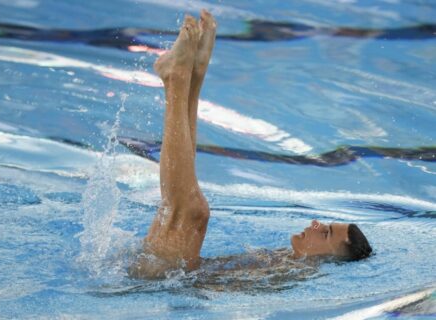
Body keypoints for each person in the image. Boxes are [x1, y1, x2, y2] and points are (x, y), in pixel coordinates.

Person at [130, 10, 372, 279]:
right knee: (189, 209)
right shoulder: (287, 260)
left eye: (325, 232)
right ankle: (190, 76)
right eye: (324, 224)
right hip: (167, 270)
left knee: (190, 210)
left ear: (328, 258)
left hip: (154, 279)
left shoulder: (293, 273)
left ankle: (179, 79)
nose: (316, 224)